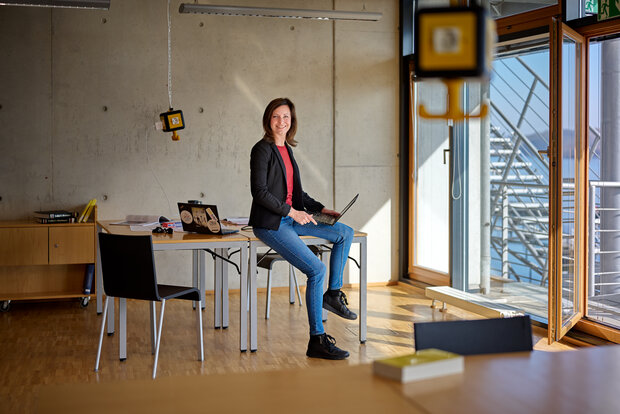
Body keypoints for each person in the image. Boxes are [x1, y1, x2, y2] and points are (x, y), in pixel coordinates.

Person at [249, 97, 356, 360]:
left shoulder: (288, 150)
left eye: (285, 117)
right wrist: (292, 213)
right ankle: (317, 339)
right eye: (276, 116)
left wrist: (320, 209)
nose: (281, 122)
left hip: (293, 218)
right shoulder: (261, 150)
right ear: (268, 120)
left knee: (345, 232)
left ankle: (332, 294)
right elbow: (259, 192)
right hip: (272, 224)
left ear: (291, 121)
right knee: (316, 268)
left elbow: (296, 193)